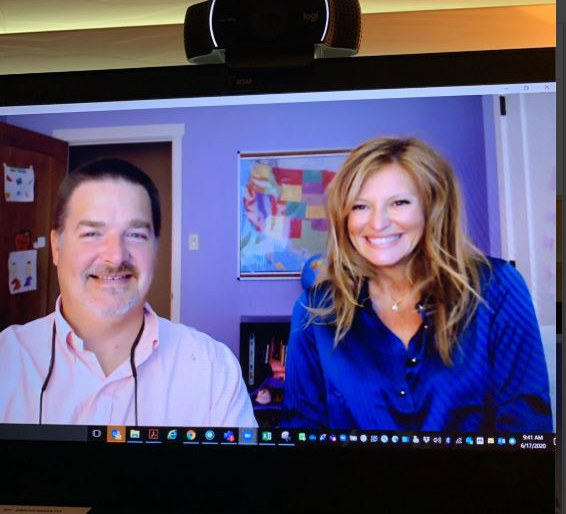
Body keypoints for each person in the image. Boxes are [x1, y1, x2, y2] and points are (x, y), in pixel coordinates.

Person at [282, 137, 553, 433]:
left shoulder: (497, 288)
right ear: (344, 217)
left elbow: (528, 429)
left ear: (431, 206)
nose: (378, 223)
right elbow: (302, 435)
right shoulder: (315, 311)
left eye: (399, 203)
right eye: (360, 206)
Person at [0, 158, 257, 427]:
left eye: (135, 235)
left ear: (155, 248)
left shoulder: (213, 370)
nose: (115, 256)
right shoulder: (6, 360)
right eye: (91, 233)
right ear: (56, 246)